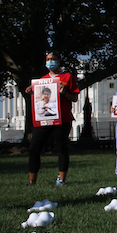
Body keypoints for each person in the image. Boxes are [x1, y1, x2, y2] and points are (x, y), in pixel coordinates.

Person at [25, 51, 79, 186]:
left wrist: (64, 92)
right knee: (34, 148)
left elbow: (74, 98)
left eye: (53, 59)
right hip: (43, 119)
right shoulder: (42, 80)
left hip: (63, 119)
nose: (51, 61)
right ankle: (32, 181)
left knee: (61, 148)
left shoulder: (67, 77)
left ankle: (61, 180)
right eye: (48, 59)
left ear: (59, 60)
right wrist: (30, 90)